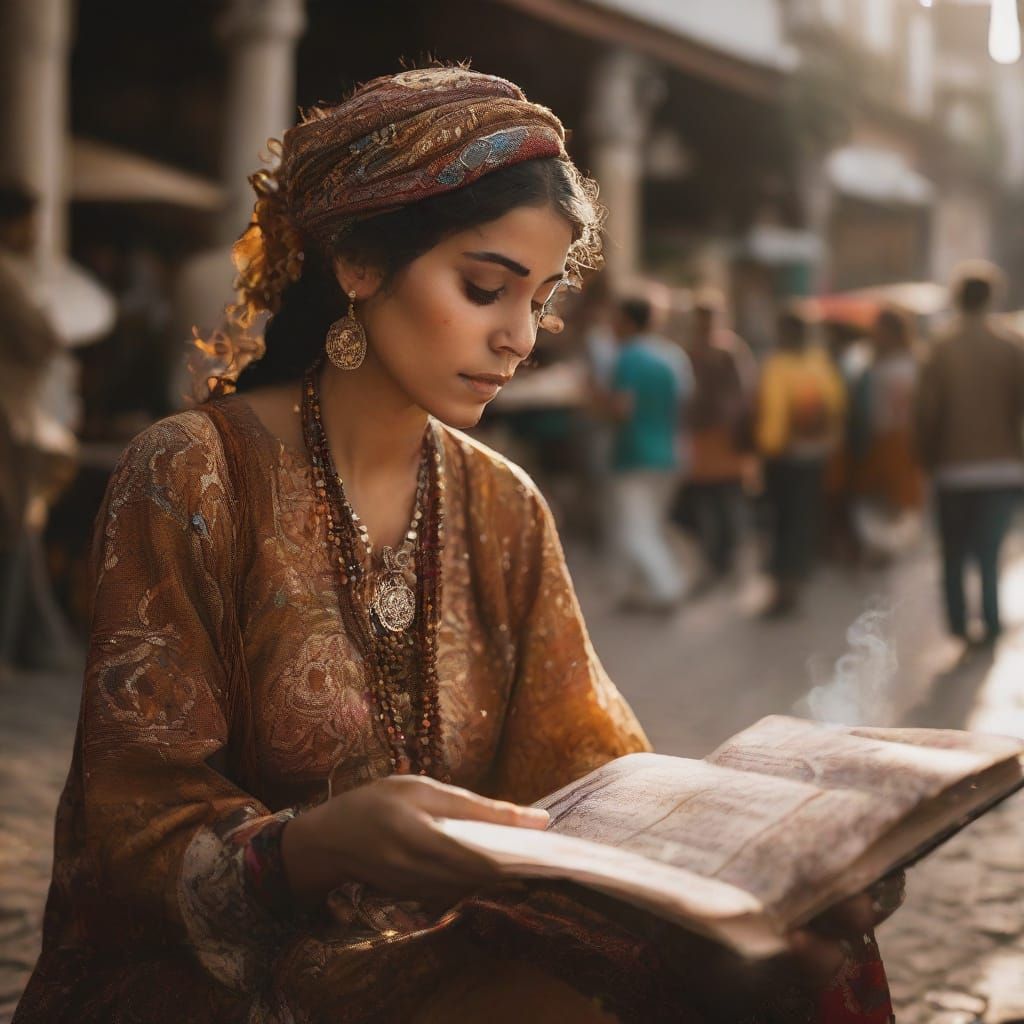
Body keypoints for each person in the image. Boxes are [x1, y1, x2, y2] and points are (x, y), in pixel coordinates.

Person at [16, 69, 897, 1024]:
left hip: (446, 949)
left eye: (541, 300)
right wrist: (312, 847)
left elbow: (585, 776)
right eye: (485, 288)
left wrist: (762, 871)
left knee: (789, 960)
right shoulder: (193, 476)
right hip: (237, 977)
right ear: (357, 262)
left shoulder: (501, 503)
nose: (520, 337)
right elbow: (131, 826)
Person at [915, 261, 1024, 645]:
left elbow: (926, 412)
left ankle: (960, 626)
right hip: (1003, 468)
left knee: (954, 555)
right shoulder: (1011, 346)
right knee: (990, 555)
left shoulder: (941, 347)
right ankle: (992, 624)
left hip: (953, 468)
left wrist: (925, 459)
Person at [0, 182, 80, 672]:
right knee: (14, 531)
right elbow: (42, 339)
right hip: (9, 418)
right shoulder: (7, 276)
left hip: (15, 416)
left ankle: (31, 642)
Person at [756, 310, 846, 617]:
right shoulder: (819, 364)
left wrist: (769, 449)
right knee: (800, 520)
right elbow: (836, 406)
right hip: (813, 454)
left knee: (784, 522)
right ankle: (793, 582)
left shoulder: (778, 365)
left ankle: (785, 586)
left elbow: (772, 415)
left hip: (785, 457)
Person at [605, 295, 692, 612]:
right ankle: (631, 589)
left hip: (636, 453)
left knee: (636, 529)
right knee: (646, 524)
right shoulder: (672, 356)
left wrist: (592, 400)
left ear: (628, 321)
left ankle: (669, 587)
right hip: (671, 451)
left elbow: (621, 408)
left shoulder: (627, 357)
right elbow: (683, 405)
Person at [683, 288, 756, 586]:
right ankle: (714, 561)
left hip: (726, 438)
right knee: (707, 504)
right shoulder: (692, 350)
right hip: (703, 439)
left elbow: (744, 394)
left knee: (728, 502)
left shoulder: (729, 350)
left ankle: (732, 560)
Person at [848, 308, 924, 564]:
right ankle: (880, 548)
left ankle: (889, 548)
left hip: (902, 443)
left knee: (898, 503)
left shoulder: (913, 365)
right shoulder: (872, 367)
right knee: (876, 500)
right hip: (878, 443)